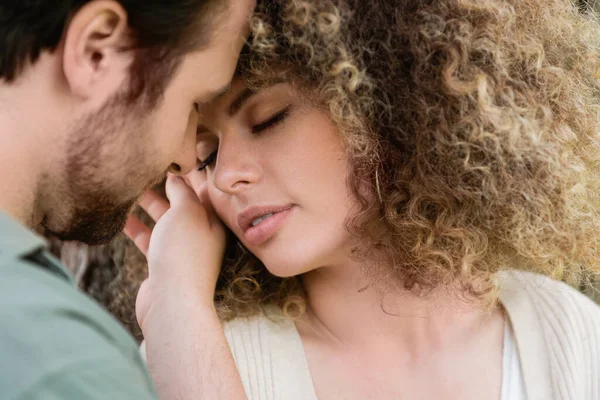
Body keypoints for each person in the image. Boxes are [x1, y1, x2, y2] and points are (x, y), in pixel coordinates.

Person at [126, 0, 600, 399]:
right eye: (206, 157)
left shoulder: (577, 339)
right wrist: (178, 308)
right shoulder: (182, 356)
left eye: (269, 118)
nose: (227, 176)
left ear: (385, 100)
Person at [0, 0, 255, 399]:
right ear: (96, 51)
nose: (186, 158)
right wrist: (182, 317)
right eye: (191, 103)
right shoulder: (59, 364)